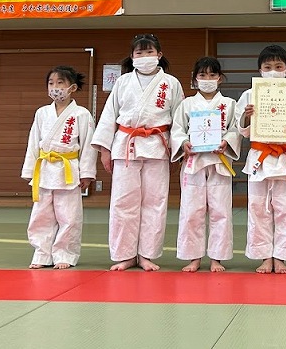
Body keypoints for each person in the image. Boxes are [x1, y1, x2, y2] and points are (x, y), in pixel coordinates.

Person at [92, 34, 184, 271]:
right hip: (126, 145)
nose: (145, 57)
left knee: (155, 201)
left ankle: (146, 254)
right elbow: (108, 116)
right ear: (132, 57)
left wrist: (177, 152)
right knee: (123, 201)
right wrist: (104, 150)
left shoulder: (171, 83)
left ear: (159, 55)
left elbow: (179, 120)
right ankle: (125, 254)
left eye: (149, 52)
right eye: (139, 53)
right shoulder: (123, 82)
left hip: (158, 146)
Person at [235, 44, 286, 274]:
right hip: (259, 158)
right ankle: (264, 257)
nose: (273, 71)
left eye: (278, 67)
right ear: (260, 70)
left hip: (284, 158)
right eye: (268, 66)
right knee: (258, 209)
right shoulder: (249, 95)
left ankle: (281, 257)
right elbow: (242, 131)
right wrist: (246, 117)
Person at [20, 66, 96, 269]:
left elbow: (88, 145)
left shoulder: (81, 114)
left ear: (72, 88)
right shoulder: (42, 113)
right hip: (45, 168)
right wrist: (29, 170)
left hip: (68, 168)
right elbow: (33, 142)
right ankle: (42, 253)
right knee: (41, 215)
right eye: (51, 83)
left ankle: (65, 254)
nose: (55, 87)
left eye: (60, 83)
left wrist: (87, 173)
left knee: (69, 216)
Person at [171, 57, 240, 273]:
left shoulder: (230, 104)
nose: (207, 79)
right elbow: (177, 130)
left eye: (212, 75)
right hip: (194, 162)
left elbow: (236, 129)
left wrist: (227, 141)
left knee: (221, 211)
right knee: (192, 211)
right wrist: (184, 143)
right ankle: (194, 257)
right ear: (195, 79)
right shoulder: (186, 104)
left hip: (220, 162)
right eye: (202, 75)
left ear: (220, 78)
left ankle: (217, 258)